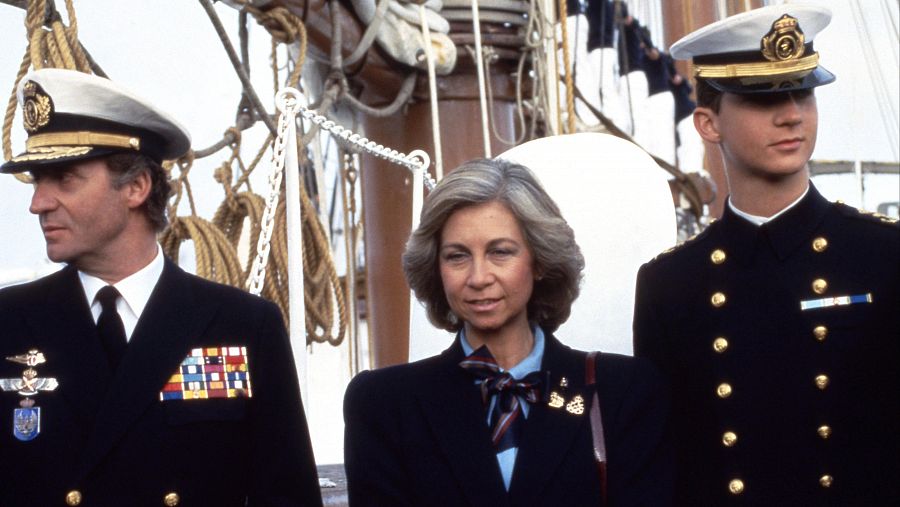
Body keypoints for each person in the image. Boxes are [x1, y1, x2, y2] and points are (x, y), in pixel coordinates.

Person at [0, 69, 323, 506]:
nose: (38, 202)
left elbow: (286, 494)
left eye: (65, 178)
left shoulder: (243, 325)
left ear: (136, 187)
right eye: (38, 180)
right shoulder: (9, 321)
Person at [632, 5, 900, 505]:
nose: (792, 114)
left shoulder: (885, 256)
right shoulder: (669, 286)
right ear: (709, 124)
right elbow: (667, 465)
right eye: (764, 99)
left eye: (803, 92)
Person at [344, 158, 672, 506]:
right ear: (435, 268)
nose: (479, 277)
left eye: (500, 252)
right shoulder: (385, 404)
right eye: (457, 256)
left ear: (540, 261)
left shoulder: (622, 392)